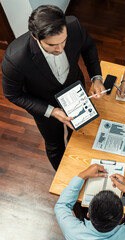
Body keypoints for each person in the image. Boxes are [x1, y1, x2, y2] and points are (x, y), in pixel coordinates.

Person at [1, 5, 105, 170]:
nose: (60, 48)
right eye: (52, 45)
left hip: (75, 92)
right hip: (44, 105)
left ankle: (79, 169)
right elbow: (13, 94)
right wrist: (52, 111)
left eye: (63, 41)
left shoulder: (74, 26)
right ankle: (62, 176)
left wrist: (96, 78)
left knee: (78, 134)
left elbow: (88, 47)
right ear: (35, 37)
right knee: (55, 145)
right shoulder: (15, 59)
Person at [55, 164, 125, 239]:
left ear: (88, 214)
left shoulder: (72, 231)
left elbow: (61, 206)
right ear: (122, 218)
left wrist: (82, 175)